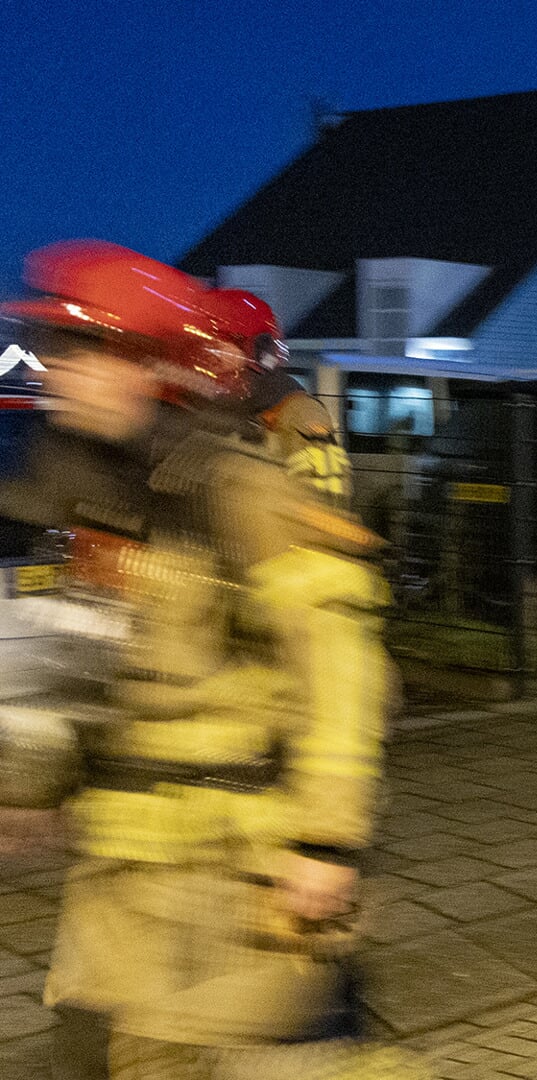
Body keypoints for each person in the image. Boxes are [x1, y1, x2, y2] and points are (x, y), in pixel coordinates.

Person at [0, 241, 422, 1079]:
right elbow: (78, 657)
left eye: (86, 351)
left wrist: (327, 842)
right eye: (58, 349)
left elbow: (344, 671)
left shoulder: (237, 493)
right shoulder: (86, 492)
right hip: (123, 889)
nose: (58, 369)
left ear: (150, 367)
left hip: (242, 885)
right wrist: (32, 787)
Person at [201, 287, 352, 508]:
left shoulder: (299, 413)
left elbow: (326, 507)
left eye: (217, 349)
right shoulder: (223, 409)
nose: (207, 359)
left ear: (257, 351)